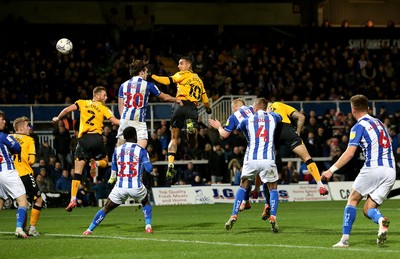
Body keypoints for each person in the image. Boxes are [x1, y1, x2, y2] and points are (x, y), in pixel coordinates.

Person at [321, 95, 395, 248]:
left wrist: (330, 170)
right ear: (368, 108)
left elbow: (349, 154)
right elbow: (390, 142)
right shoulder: (380, 123)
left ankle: (345, 240)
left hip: (373, 167)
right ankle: (381, 221)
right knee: (368, 209)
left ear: (353, 110)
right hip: (390, 170)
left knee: (353, 200)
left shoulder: (358, 126)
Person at [52, 86, 120, 212]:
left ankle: (72, 199)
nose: (106, 97)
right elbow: (115, 122)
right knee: (105, 162)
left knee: (77, 172)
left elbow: (67, 110)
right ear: (97, 96)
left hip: (83, 140)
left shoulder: (82, 103)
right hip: (97, 139)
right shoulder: (104, 108)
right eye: (104, 95)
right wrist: (129, 123)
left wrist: (58, 117)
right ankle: (96, 163)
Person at [83, 126, 154, 235]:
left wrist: (112, 179)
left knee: (106, 208)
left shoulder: (117, 150)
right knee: (145, 202)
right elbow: (149, 169)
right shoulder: (141, 150)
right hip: (136, 186)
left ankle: (89, 230)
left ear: (124, 137)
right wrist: (147, 163)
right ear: (135, 136)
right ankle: (148, 226)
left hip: (120, 187)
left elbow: (114, 168)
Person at [224, 98, 282, 232]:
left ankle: (234, 214)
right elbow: (279, 117)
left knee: (243, 185)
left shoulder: (248, 119)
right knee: (272, 189)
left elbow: (239, 128)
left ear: (255, 107)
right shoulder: (273, 117)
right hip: (268, 159)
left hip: (251, 159)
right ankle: (273, 216)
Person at [151, 56, 212, 181]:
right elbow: (205, 100)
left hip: (180, 105)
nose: (178, 66)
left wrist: (152, 76)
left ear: (188, 66)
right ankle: (190, 129)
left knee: (174, 138)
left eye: (181, 63)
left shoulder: (182, 74)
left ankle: (171, 163)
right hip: (192, 107)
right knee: (193, 143)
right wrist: (208, 109)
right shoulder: (199, 81)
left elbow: (167, 81)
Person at [117, 59, 181, 149]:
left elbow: (121, 105)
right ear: (141, 72)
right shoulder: (148, 85)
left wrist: (123, 120)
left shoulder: (123, 85)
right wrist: (176, 99)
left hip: (124, 119)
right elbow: (165, 97)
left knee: (121, 147)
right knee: (140, 148)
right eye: (146, 71)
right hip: (138, 121)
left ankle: (120, 161)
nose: (147, 74)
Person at [268, 101, 329, 195]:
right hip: (287, 130)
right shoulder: (278, 104)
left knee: (269, 162)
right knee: (307, 158)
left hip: (271, 133)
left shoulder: (260, 110)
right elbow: (301, 117)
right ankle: (320, 185)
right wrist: (298, 133)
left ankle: (265, 194)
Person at [11, 116, 44, 237]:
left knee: (22, 202)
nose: (29, 128)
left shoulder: (9, 138)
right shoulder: (29, 140)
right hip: (25, 174)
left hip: (12, 176)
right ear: (20, 128)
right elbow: (31, 160)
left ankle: (22, 228)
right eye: (27, 126)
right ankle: (32, 228)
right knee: (38, 199)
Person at [0, 110, 29, 238]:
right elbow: (17, 148)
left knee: (0, 201)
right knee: (23, 202)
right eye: (2, 119)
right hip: (8, 172)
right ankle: (19, 228)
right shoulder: (3, 136)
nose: (5, 121)